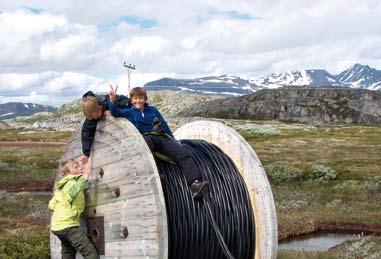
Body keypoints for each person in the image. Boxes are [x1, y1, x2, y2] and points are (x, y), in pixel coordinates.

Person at [108, 85, 209, 199]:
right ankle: (154, 176)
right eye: (135, 98)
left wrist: (173, 140)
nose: (138, 101)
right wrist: (112, 100)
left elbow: (164, 124)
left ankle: (195, 183)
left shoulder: (152, 110)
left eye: (141, 98)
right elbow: (115, 112)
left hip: (160, 136)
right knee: (146, 150)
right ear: (131, 100)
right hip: (145, 138)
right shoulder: (129, 112)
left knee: (182, 153)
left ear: (145, 99)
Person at [49, 160, 99, 259]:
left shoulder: (60, 187)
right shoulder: (72, 182)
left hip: (57, 226)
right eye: (75, 168)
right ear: (67, 172)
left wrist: (62, 210)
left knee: (68, 252)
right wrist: (84, 176)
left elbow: (51, 205)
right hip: (68, 226)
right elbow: (72, 192)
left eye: (78, 167)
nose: (79, 169)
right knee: (90, 253)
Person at [81, 89, 131, 164]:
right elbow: (86, 135)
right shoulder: (91, 117)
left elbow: (126, 103)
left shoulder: (107, 101)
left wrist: (112, 103)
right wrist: (86, 153)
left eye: (96, 116)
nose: (95, 118)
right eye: (92, 118)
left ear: (100, 107)